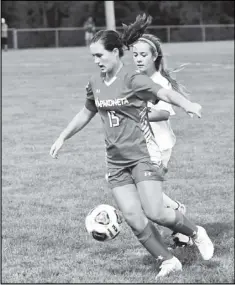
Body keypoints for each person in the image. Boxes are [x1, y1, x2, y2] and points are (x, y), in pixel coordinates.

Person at [50, 14, 214, 279]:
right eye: (93, 57)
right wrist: (62, 137)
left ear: (115, 53)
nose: (96, 61)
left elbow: (163, 94)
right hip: (116, 161)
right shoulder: (95, 83)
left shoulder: (132, 79)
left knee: (155, 212)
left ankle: (196, 232)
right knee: (134, 218)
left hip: (142, 156)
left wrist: (187, 104)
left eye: (100, 55)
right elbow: (86, 111)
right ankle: (169, 260)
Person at [132, 34, 194, 247]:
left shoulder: (159, 81)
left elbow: (164, 113)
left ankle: (182, 226)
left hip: (159, 146)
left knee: (146, 196)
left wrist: (133, 114)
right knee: (139, 190)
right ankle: (178, 212)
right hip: (141, 145)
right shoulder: (136, 79)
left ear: (154, 56)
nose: (138, 59)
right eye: (135, 55)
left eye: (143, 55)